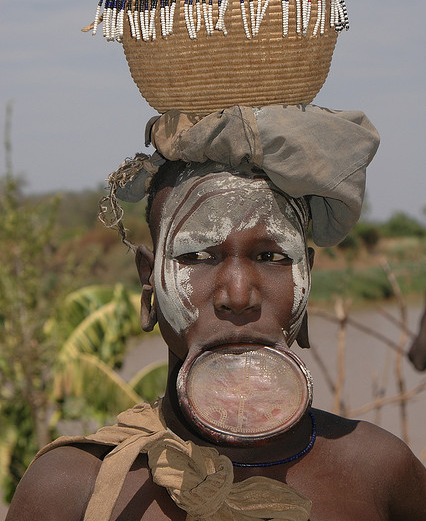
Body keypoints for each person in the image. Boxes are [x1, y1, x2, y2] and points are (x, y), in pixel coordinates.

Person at [6, 156, 426, 521]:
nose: (238, 295)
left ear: (307, 276)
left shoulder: (378, 471)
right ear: (148, 278)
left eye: (272, 257)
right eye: (197, 256)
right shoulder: (74, 487)